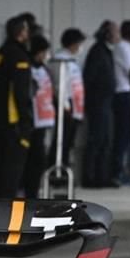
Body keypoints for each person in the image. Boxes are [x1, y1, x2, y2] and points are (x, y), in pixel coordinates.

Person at [0, 15, 33, 198]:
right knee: (13, 166)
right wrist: (26, 122)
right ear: (21, 33)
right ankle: (7, 204)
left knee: (3, 162)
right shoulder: (18, 56)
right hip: (14, 119)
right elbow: (21, 92)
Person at [82, 20, 118, 188]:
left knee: (106, 140)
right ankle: (90, 176)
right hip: (98, 102)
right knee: (96, 140)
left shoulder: (107, 52)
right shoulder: (97, 51)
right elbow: (90, 78)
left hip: (107, 101)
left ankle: (102, 175)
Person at [48, 28, 86, 173]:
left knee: (69, 140)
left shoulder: (72, 60)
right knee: (61, 140)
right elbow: (59, 84)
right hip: (65, 104)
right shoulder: (60, 59)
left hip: (75, 104)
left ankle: (64, 167)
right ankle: (57, 169)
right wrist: (64, 104)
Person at [111, 20, 130, 184]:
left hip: (125, 93)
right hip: (124, 93)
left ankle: (122, 169)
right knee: (123, 134)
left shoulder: (125, 48)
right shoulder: (123, 48)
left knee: (126, 134)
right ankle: (118, 171)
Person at [24, 35, 54, 198]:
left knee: (40, 158)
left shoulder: (44, 69)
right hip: (32, 119)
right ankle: (30, 191)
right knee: (33, 158)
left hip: (44, 119)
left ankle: (34, 190)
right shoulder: (28, 68)